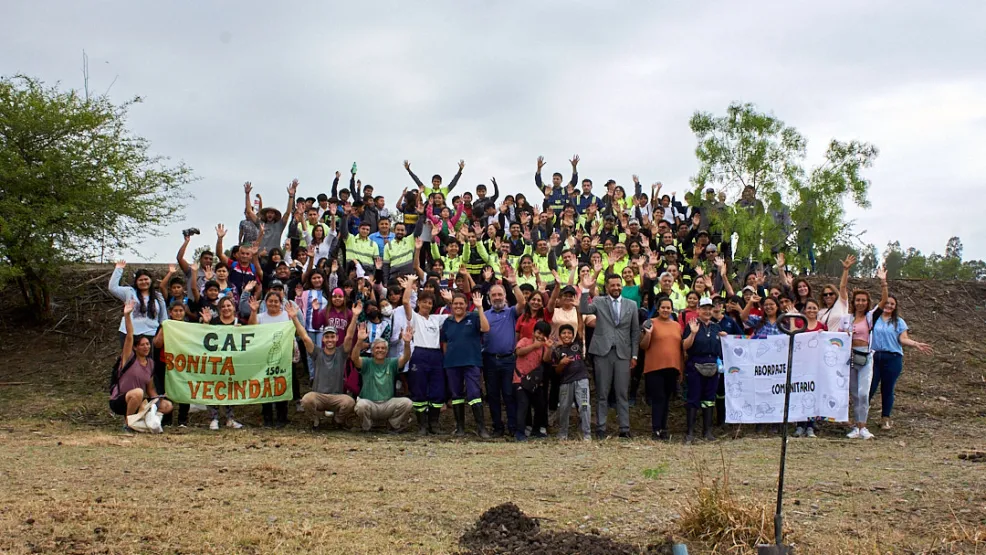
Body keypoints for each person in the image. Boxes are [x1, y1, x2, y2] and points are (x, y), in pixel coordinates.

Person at [580, 273, 641, 439]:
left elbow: (635, 332)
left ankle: (624, 428)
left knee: (622, 393)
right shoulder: (599, 301)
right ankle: (601, 428)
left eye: (618, 285)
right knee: (602, 392)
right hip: (602, 353)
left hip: (623, 353)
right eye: (613, 285)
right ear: (607, 287)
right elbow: (584, 309)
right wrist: (585, 289)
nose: (616, 288)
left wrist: (634, 355)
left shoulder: (632, 305)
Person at [868, 295, 933, 430]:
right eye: (887, 303)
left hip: (892, 358)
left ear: (895, 307)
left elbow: (903, 339)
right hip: (874, 357)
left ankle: (885, 418)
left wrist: (915, 344)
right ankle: (861, 416)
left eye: (892, 304)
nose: (889, 306)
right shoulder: (873, 318)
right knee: (869, 387)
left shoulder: (898, 322)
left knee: (887, 389)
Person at [842, 267, 889, 440]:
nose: (860, 303)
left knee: (863, 392)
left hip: (866, 357)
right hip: (850, 357)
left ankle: (864, 426)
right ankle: (856, 426)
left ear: (867, 302)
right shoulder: (846, 319)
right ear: (853, 302)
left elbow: (884, 301)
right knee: (854, 393)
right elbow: (838, 338)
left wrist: (883, 282)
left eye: (863, 300)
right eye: (857, 300)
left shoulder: (870, 317)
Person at [110, 300, 174, 427]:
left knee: (167, 405)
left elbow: (150, 390)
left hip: (139, 400)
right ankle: (128, 424)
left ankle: (143, 421)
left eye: (147, 344)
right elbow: (129, 337)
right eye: (142, 345)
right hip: (121, 400)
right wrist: (127, 316)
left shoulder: (150, 363)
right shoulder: (129, 358)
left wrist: (159, 398)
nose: (146, 347)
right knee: (138, 392)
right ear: (135, 347)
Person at [401, 275, 450, 435]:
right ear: (419, 303)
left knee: (437, 391)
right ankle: (421, 425)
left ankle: (433, 424)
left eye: (430, 303)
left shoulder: (437, 319)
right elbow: (406, 302)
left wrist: (450, 300)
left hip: (436, 356)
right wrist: (409, 284)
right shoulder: (414, 318)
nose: (427, 305)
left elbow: (455, 314)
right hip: (419, 354)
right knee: (419, 390)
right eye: (424, 302)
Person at [298, 309, 360, 430]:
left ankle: (337, 421)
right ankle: (315, 420)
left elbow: (349, 336)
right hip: (319, 395)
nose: (330, 339)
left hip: (336, 397)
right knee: (306, 400)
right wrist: (294, 317)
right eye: (327, 337)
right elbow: (305, 337)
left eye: (332, 336)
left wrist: (355, 316)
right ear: (323, 339)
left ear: (337, 338)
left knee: (349, 402)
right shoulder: (317, 353)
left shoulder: (341, 353)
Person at [482, 270, 526, 438]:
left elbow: (522, 302)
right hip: (490, 360)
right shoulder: (485, 315)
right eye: (494, 295)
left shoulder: (511, 313)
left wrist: (514, 284)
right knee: (492, 396)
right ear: (490, 298)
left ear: (505, 296)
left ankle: (513, 426)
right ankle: (497, 427)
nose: (497, 297)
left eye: (500, 294)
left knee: (509, 394)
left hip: (508, 361)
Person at [441, 291, 492, 438]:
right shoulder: (447, 322)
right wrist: (448, 359)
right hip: (452, 363)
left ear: (466, 305)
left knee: (474, 393)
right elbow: (444, 343)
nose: (458, 306)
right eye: (455, 303)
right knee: (456, 395)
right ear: (451, 305)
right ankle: (460, 428)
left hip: (471, 362)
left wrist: (480, 308)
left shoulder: (474, 317)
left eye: (461, 304)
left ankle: (481, 428)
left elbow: (486, 328)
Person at [351, 323, 415, 432]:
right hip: (369, 403)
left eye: (383, 348)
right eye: (377, 348)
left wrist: (407, 343)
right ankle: (366, 427)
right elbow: (354, 358)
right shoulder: (367, 363)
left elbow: (405, 358)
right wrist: (359, 341)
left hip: (387, 404)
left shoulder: (392, 363)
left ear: (387, 351)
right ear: (372, 350)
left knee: (407, 403)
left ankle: (393, 425)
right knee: (361, 405)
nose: (380, 350)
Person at [640, 297, 684, 441]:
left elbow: (680, 348)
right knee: (658, 399)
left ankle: (664, 428)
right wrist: (648, 334)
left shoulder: (677, 325)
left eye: (668, 307)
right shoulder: (650, 323)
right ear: (658, 309)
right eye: (663, 307)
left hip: (672, 367)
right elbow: (643, 346)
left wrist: (681, 371)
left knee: (666, 400)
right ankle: (656, 429)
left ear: (672, 309)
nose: (665, 310)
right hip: (654, 368)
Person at [198, 297, 246, 430]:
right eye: (223, 306)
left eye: (228, 305)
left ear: (234, 307)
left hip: (232, 363)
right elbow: (202, 338)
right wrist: (206, 324)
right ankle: (214, 418)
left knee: (230, 389)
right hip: (215, 363)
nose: (226, 308)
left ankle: (230, 418)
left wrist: (241, 331)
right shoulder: (213, 322)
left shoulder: (239, 323)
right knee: (213, 388)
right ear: (219, 309)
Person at [682, 297, 725, 444]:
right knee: (693, 398)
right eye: (704, 308)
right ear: (698, 310)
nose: (707, 311)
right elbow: (684, 346)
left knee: (709, 400)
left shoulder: (716, 327)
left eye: (709, 309)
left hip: (712, 364)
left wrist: (724, 339)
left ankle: (707, 431)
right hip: (695, 364)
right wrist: (693, 333)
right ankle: (690, 433)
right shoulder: (692, 324)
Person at [109, 260, 166, 350]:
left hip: (150, 335)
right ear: (136, 282)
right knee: (129, 362)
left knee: (148, 363)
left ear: (150, 280)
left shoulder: (158, 296)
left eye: (146, 279)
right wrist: (118, 269)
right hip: (129, 334)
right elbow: (113, 288)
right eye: (140, 280)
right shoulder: (129, 292)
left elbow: (164, 318)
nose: (143, 282)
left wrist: (162, 333)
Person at [513, 321, 553, 441]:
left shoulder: (544, 346)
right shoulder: (525, 341)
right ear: (533, 332)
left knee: (540, 405)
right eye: (539, 333)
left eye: (544, 334)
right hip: (520, 379)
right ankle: (520, 432)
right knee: (523, 405)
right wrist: (534, 346)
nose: (540, 336)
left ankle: (536, 430)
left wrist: (549, 348)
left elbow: (546, 360)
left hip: (535, 383)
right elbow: (518, 352)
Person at [793, 298, 827, 438]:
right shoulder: (800, 323)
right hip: (802, 364)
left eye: (814, 308)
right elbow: (793, 335)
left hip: (817, 366)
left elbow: (828, 344)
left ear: (818, 310)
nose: (812, 310)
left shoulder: (822, 326)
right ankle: (800, 426)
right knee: (801, 394)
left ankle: (811, 427)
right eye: (809, 308)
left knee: (814, 396)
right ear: (805, 310)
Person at [550, 324, 591, 441]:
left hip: (581, 380)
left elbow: (581, 327)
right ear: (560, 335)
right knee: (564, 408)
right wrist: (562, 363)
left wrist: (578, 309)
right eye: (564, 333)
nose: (566, 335)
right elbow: (556, 371)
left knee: (584, 406)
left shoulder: (577, 345)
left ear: (573, 335)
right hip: (565, 382)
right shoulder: (557, 351)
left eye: (569, 333)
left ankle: (587, 435)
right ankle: (563, 434)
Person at [820, 255, 854, 331]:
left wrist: (846, 270)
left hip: (840, 340)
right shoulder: (821, 312)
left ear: (835, 294)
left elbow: (842, 286)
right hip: (826, 340)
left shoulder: (841, 303)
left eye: (831, 294)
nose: (828, 296)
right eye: (825, 294)